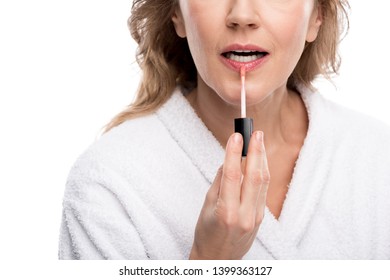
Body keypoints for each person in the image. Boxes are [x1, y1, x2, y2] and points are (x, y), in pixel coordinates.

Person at [58, 0, 390, 260]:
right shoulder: (108, 183)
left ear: (316, 15)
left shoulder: (377, 157)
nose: (242, 15)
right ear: (177, 14)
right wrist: (211, 259)